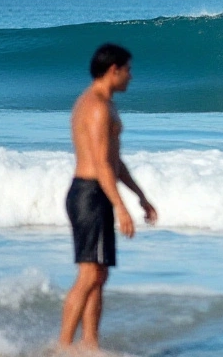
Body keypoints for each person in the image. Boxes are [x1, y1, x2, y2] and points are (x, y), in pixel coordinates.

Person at [58, 43, 157, 352]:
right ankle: (62, 347)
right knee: (90, 273)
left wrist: (140, 196)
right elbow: (101, 164)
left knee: (98, 273)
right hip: (91, 193)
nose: (131, 76)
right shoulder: (97, 106)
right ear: (113, 70)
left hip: (93, 192)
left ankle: (89, 344)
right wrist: (121, 208)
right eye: (128, 70)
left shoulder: (104, 103)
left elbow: (115, 162)